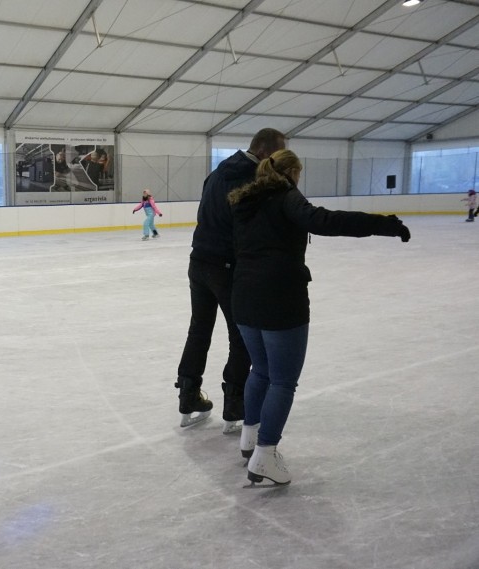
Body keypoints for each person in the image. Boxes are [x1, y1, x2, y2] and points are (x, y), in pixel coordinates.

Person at [227, 149, 411, 486]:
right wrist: (381, 223)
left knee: (261, 371)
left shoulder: (245, 201)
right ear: (293, 172)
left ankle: (250, 439)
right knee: (282, 380)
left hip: (243, 296)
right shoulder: (286, 197)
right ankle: (265, 455)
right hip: (280, 298)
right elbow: (324, 220)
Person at [175, 128, 287, 431]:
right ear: (264, 152)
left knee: (199, 329)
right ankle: (235, 402)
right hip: (226, 265)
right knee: (241, 335)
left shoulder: (218, 172)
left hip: (198, 260)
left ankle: (188, 394)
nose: (279, 162)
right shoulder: (253, 178)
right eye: (277, 156)